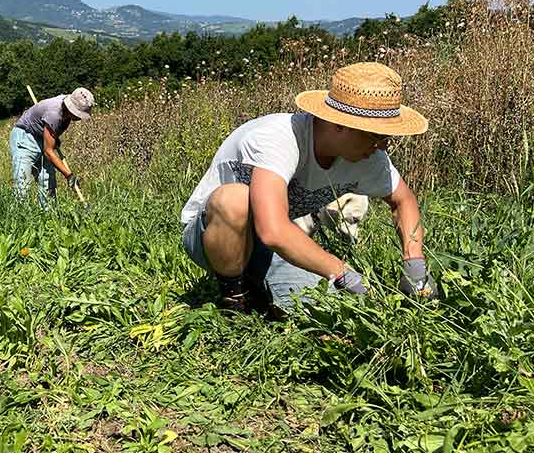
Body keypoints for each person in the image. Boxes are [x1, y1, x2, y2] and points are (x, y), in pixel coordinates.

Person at [181, 62, 438, 314]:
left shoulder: (368, 154)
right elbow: (272, 230)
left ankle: (258, 288)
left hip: (274, 244)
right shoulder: (279, 138)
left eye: (386, 137)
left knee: (332, 310)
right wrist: (342, 272)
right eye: (375, 135)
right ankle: (233, 297)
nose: (383, 146)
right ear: (340, 125)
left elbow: (403, 200)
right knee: (235, 198)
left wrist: (414, 263)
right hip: (211, 235)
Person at [9, 87, 94, 206]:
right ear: (71, 109)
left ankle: (47, 218)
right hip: (25, 138)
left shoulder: (66, 110)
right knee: (22, 184)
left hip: (41, 137)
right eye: (79, 114)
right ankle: (20, 219)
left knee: (48, 183)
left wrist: (54, 139)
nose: (80, 117)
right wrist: (69, 175)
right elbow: (48, 152)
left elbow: (51, 134)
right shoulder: (54, 113)